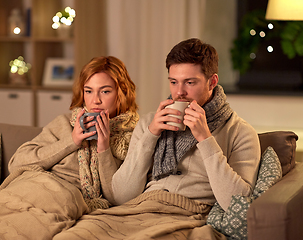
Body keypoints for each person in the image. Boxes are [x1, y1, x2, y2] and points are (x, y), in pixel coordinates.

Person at [52, 38, 261, 240]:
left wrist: (205, 139)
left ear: (212, 82)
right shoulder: (149, 123)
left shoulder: (240, 132)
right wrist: (150, 135)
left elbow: (238, 206)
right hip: (137, 210)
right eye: (173, 82)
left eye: (190, 82)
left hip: (187, 216)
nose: (179, 92)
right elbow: (120, 196)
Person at [0, 56, 139, 239]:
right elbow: (17, 162)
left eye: (105, 92)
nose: (95, 100)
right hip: (32, 187)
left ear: (121, 93)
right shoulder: (64, 123)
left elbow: (116, 198)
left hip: (63, 200)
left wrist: (104, 147)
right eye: (89, 91)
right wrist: (71, 141)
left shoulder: (130, 137)